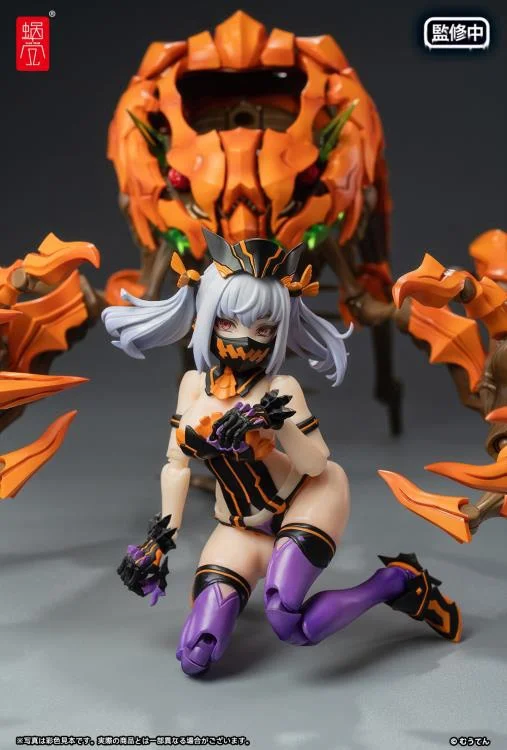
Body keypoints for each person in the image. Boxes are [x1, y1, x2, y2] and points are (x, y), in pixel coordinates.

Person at [102, 228, 462, 677]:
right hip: (240, 525)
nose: (245, 338)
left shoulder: (281, 388)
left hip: (307, 498)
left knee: (288, 620)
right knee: (196, 653)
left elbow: (316, 462)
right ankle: (260, 581)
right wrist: (161, 540)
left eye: (263, 328)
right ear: (207, 316)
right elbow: (176, 464)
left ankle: (399, 582)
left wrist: (275, 423)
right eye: (229, 322)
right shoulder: (193, 387)